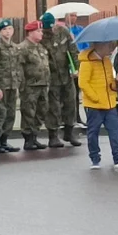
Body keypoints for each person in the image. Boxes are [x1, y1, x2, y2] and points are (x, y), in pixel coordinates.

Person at [78, 42, 118, 169]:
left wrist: (116, 83)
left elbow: (110, 82)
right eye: (109, 46)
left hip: (110, 103)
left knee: (115, 131)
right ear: (100, 46)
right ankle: (95, 158)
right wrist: (95, 97)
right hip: (94, 105)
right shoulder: (87, 62)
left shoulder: (107, 61)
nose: (111, 49)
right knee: (93, 133)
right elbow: (83, 83)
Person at [40, 12, 81, 148]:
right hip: (51, 77)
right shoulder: (41, 37)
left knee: (70, 103)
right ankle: (53, 135)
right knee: (53, 107)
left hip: (66, 74)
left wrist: (76, 68)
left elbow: (73, 50)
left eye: (52, 27)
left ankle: (69, 131)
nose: (50, 30)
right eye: (47, 28)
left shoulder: (63, 31)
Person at [17, 21, 50, 151]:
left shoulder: (40, 47)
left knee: (41, 111)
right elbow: (19, 67)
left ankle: (35, 135)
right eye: (38, 31)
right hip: (30, 86)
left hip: (42, 84)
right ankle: (28, 138)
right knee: (29, 112)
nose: (41, 33)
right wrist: (22, 85)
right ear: (31, 32)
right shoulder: (23, 48)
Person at [0, 21, 20, 153]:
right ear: (0, 32)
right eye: (5, 29)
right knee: (1, 114)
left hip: (12, 86)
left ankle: (4, 140)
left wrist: (18, 83)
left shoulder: (14, 47)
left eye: (10, 28)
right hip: (1, 86)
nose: (8, 31)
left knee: (11, 114)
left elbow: (17, 67)